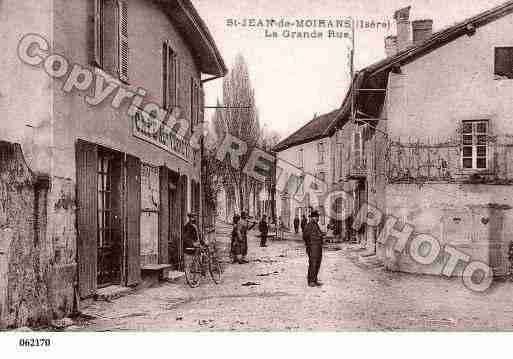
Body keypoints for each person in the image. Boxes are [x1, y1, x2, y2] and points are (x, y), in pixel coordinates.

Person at [303, 210, 324, 287]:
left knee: (317, 264)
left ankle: (314, 280)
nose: (317, 218)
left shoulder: (316, 225)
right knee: (313, 264)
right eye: (315, 217)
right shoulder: (309, 225)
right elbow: (305, 236)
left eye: (318, 217)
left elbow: (319, 235)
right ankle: (311, 281)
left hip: (318, 247)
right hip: (312, 248)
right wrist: (309, 246)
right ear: (312, 218)